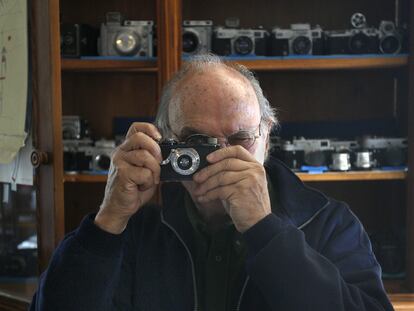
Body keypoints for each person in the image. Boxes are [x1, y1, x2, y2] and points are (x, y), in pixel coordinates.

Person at [30, 54, 393, 311]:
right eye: (196, 143)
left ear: (267, 134)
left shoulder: (327, 221)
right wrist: (107, 222)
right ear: (162, 141)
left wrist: (266, 231)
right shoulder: (138, 225)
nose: (219, 158)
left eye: (240, 140)